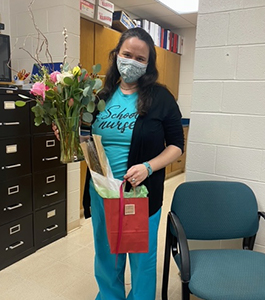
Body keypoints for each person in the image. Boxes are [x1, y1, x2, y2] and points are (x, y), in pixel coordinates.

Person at [55, 27, 184, 300]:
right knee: (107, 254)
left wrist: (148, 166)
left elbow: (176, 146)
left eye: (140, 58)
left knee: (141, 257)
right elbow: (88, 141)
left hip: (139, 192)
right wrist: (67, 133)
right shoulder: (99, 97)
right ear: (116, 55)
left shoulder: (162, 99)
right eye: (127, 54)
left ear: (148, 64)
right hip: (103, 190)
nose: (132, 62)